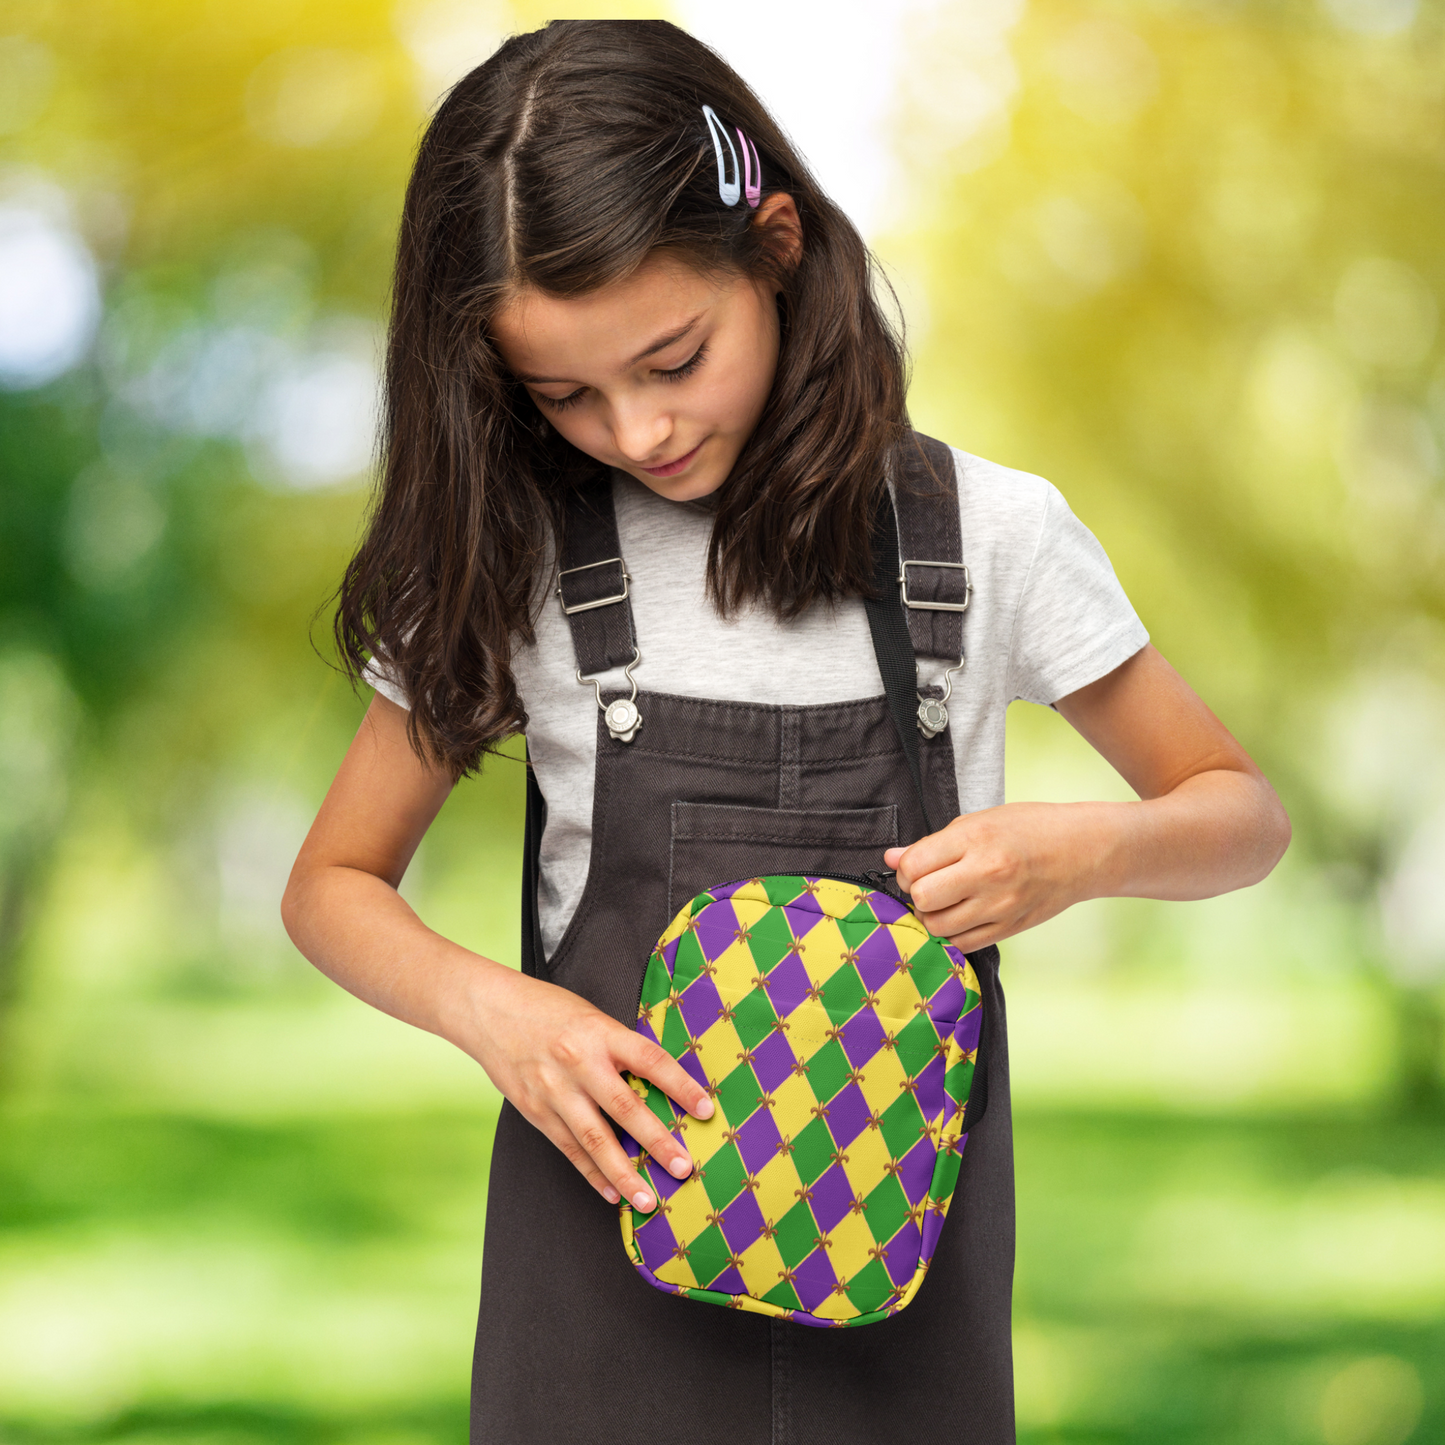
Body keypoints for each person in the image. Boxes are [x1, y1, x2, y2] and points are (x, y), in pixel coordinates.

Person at [281, 18, 1290, 1444]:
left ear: (778, 244)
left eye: (672, 359)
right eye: (563, 395)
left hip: (905, 1281)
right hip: (594, 1280)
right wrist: (492, 1012)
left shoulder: (987, 537)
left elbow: (1238, 813)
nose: (636, 431)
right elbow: (330, 885)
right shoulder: (514, 556)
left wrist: (1081, 854)